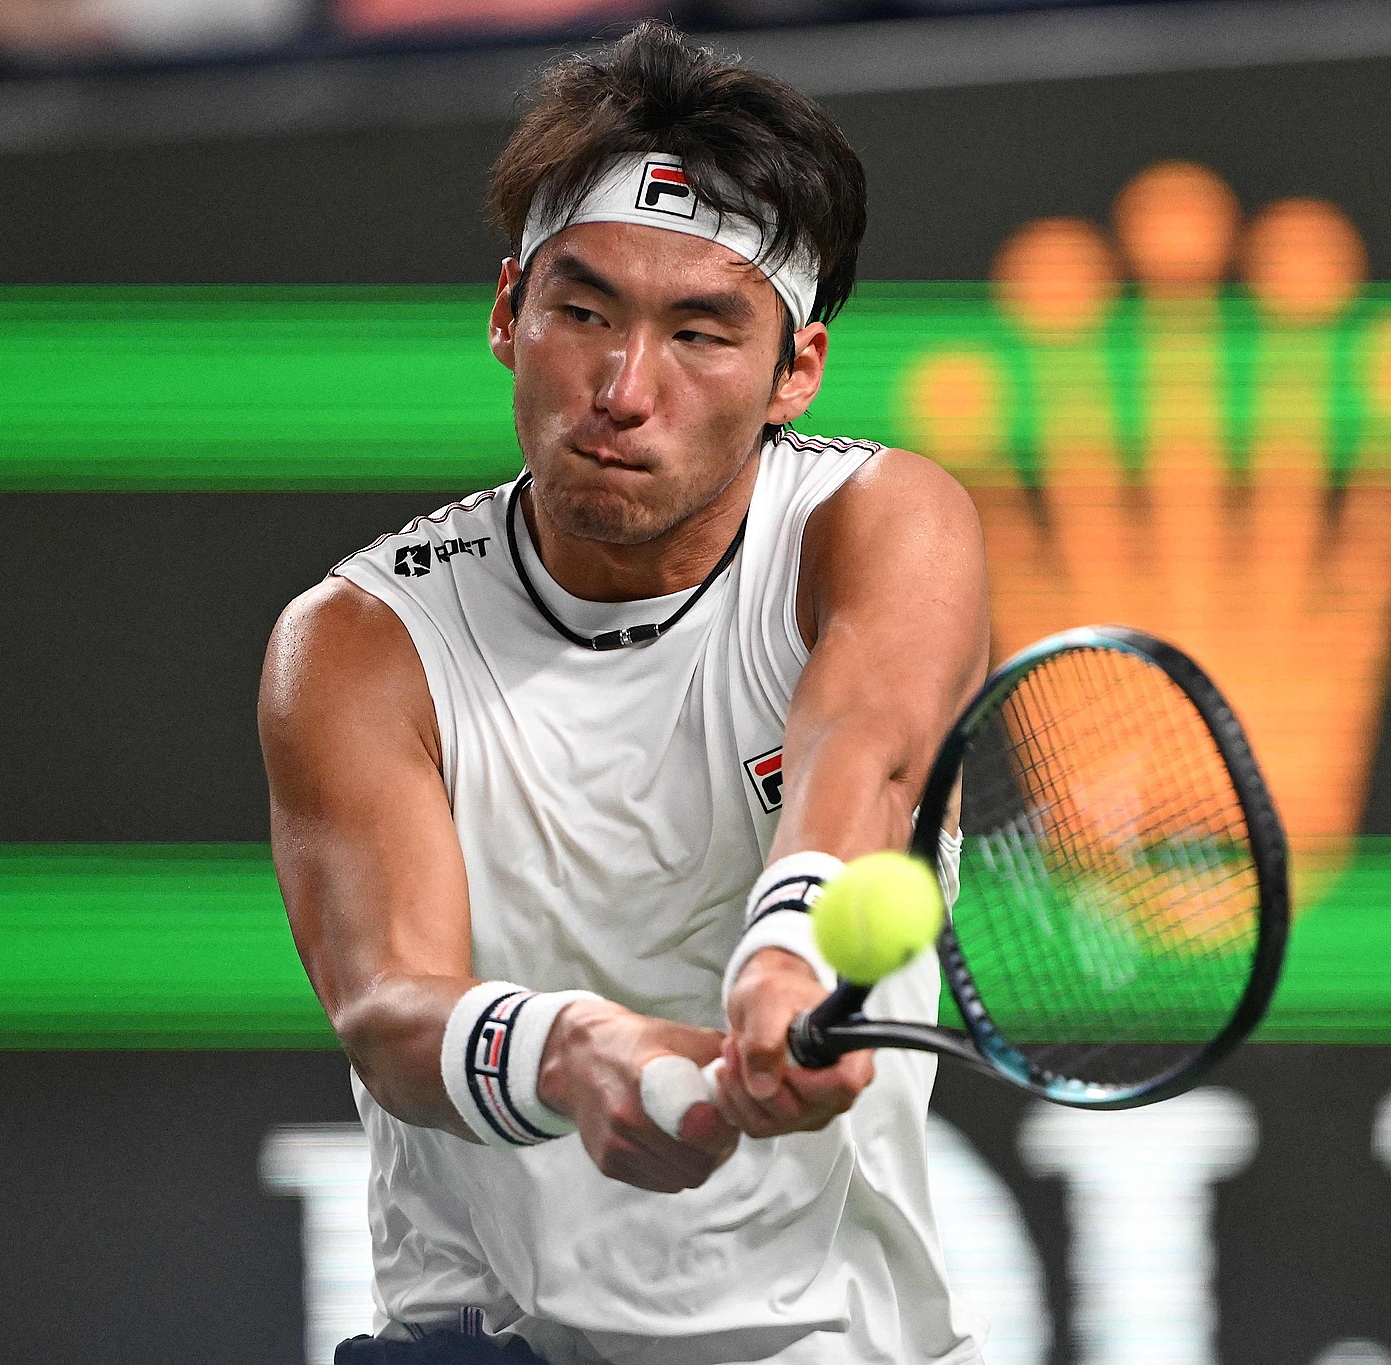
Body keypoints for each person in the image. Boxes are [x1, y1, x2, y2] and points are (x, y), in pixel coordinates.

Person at [259, 20, 990, 1365]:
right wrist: (569, 1048)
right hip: (482, 1339)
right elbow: (384, 1001)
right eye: (581, 310)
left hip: (822, 1338)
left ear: (798, 372)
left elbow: (871, 758)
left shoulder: (882, 524)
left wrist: (787, 956)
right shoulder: (360, 638)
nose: (620, 387)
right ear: (505, 312)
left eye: (702, 332)